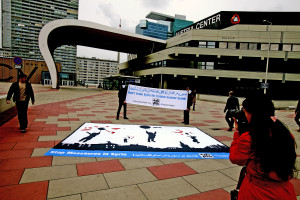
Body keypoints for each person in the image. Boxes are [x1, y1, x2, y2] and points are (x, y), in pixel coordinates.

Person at [229, 93, 297, 200]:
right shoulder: (285, 134)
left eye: (246, 112)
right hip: (284, 191)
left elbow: (235, 158)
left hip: (256, 192)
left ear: (253, 114)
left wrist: (238, 133)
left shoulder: (250, 137)